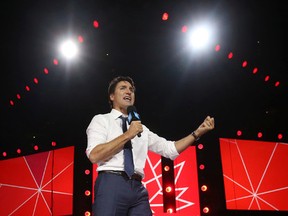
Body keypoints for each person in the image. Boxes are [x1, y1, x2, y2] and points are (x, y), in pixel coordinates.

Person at [86, 76, 215, 216]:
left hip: (138, 188)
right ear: (112, 96)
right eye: (123, 88)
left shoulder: (141, 128)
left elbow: (170, 149)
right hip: (111, 183)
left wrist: (197, 133)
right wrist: (128, 134)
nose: (129, 92)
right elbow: (94, 155)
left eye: (131, 89)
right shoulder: (101, 120)